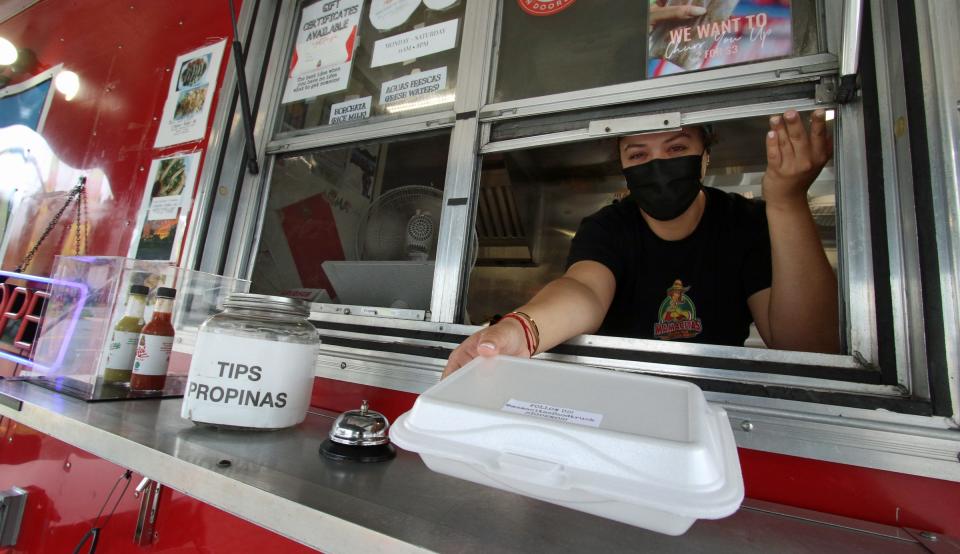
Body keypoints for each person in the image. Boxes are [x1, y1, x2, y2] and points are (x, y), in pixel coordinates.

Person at [443, 109, 840, 378]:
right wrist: (521, 331)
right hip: (619, 395)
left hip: (717, 402)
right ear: (623, 167)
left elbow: (808, 349)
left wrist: (788, 201)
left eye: (677, 148)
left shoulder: (745, 222)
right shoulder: (607, 227)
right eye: (638, 153)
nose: (658, 165)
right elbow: (583, 291)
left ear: (705, 156)